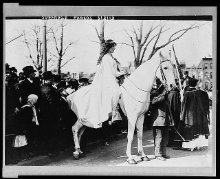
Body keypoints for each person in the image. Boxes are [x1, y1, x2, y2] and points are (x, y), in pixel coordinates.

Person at [71, 39, 127, 129]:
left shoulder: (111, 57)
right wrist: (122, 73)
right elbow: (110, 73)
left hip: (112, 79)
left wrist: (122, 73)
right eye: (113, 47)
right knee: (117, 91)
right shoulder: (106, 58)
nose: (115, 48)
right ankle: (113, 113)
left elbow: (115, 71)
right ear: (109, 48)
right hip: (108, 80)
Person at [39, 71, 63, 156]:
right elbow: (52, 103)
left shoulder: (43, 87)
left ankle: (49, 150)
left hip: (46, 114)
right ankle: (51, 151)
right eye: (52, 78)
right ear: (49, 79)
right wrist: (58, 114)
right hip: (51, 115)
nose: (53, 79)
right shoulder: (49, 89)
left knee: (48, 133)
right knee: (52, 132)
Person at [150, 78, 174, 161]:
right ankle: (158, 154)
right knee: (158, 137)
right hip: (158, 120)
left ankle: (163, 153)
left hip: (165, 120)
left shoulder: (165, 95)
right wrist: (163, 94)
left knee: (165, 138)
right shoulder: (154, 94)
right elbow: (153, 102)